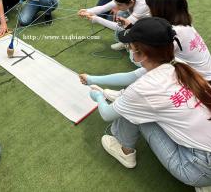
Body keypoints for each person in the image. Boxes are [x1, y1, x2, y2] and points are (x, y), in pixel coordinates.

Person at [88, 17, 211, 192]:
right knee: (136, 105)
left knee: (134, 112)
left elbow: (107, 114)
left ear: (140, 54)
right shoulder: (180, 65)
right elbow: (135, 81)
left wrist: (99, 95)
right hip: (205, 154)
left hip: (199, 168)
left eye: (130, 47)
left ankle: (125, 151)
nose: (129, 50)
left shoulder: (145, 87)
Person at [79, 0, 211, 97]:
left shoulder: (171, 33)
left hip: (199, 84)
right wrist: (130, 27)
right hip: (202, 76)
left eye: (152, 8)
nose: (150, 11)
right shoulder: (183, 26)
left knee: (147, 72)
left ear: (162, 10)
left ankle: (123, 95)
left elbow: (137, 73)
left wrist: (92, 80)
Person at [78, 0, 150, 50]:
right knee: (120, 13)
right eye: (116, 3)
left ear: (131, 2)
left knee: (136, 55)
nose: (116, 6)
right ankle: (125, 42)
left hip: (150, 27)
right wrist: (87, 11)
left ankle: (138, 43)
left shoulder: (142, 5)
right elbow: (103, 8)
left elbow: (121, 27)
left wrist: (96, 19)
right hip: (141, 21)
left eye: (119, 5)